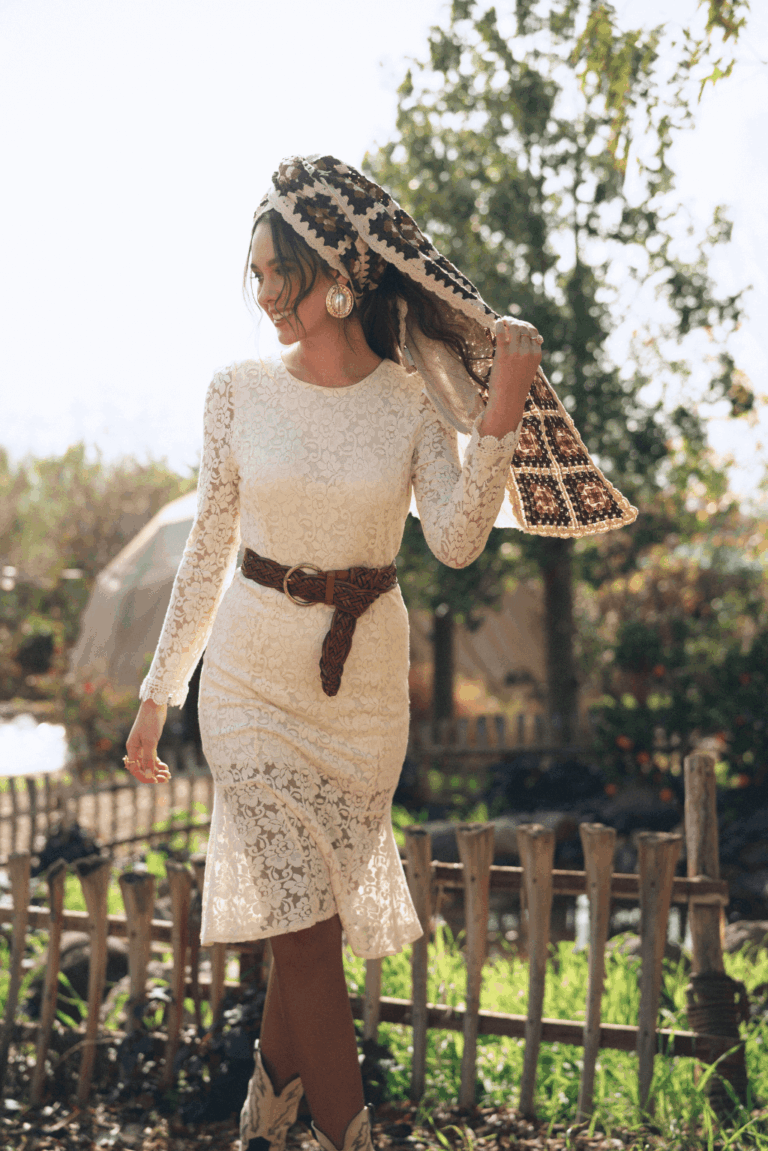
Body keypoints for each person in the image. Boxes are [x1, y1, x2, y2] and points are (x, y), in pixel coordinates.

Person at [123, 156, 636, 1151]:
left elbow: (454, 539)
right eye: (255, 274)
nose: (263, 294)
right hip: (247, 682)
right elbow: (208, 548)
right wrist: (159, 693)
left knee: (309, 923)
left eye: (278, 271)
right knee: (308, 929)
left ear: (338, 272)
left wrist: (502, 407)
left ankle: (265, 1121)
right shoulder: (235, 392)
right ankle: (353, 1136)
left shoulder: (408, 401)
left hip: (361, 699)